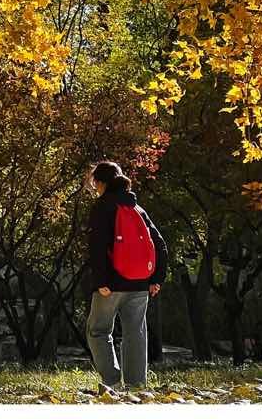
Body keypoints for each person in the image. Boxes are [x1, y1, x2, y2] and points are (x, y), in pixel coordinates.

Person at [86, 160, 167, 394]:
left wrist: (101, 281)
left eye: (95, 183)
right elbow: (160, 244)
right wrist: (156, 279)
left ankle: (112, 383)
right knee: (135, 333)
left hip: (111, 284)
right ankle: (136, 387)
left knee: (98, 331)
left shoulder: (102, 207)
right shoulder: (138, 209)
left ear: (100, 183)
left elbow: (97, 245)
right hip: (140, 283)